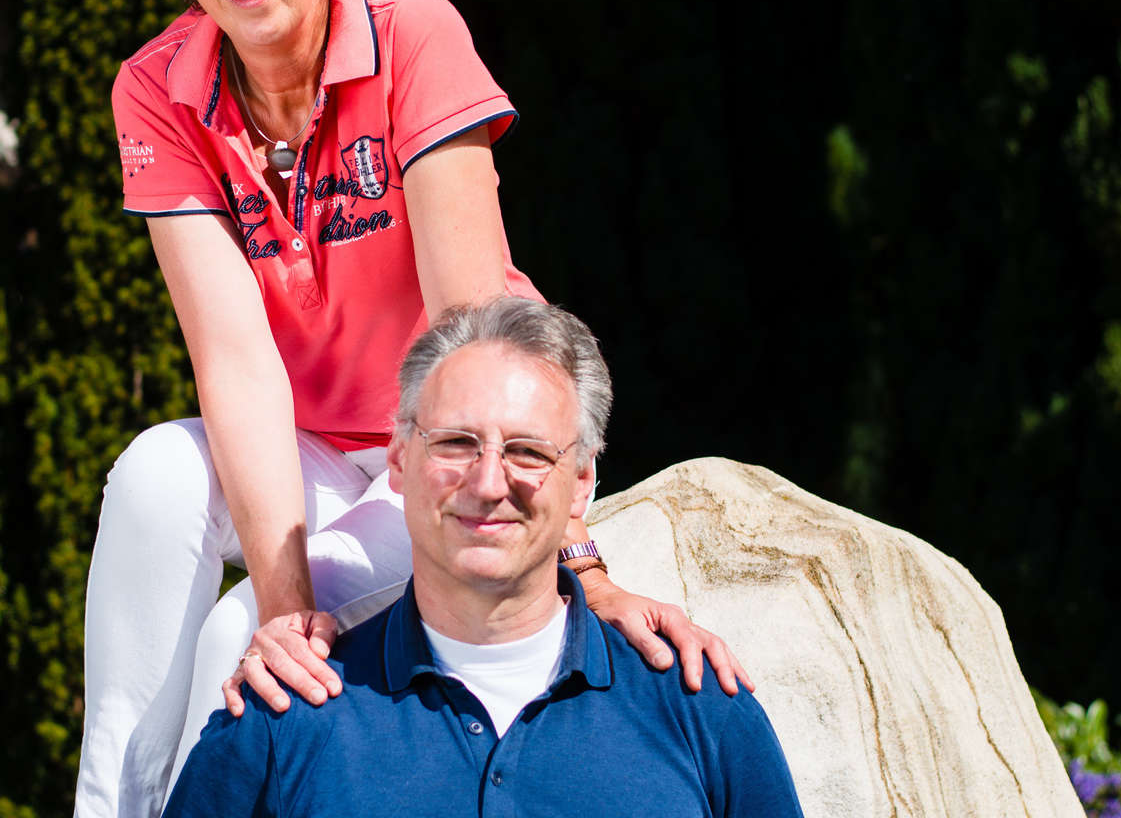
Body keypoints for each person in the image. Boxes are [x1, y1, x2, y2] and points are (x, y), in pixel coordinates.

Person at [80, 0, 751, 818]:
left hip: (428, 443)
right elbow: (236, 359)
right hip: (301, 447)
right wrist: (292, 607)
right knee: (158, 475)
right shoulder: (157, 86)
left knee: (231, 634)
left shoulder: (411, 34)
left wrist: (583, 562)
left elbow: (471, 333)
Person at [163, 298, 805, 818]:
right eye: (455, 443)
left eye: (528, 451)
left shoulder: (701, 711)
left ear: (582, 479)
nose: (490, 482)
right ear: (399, 459)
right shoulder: (282, 723)